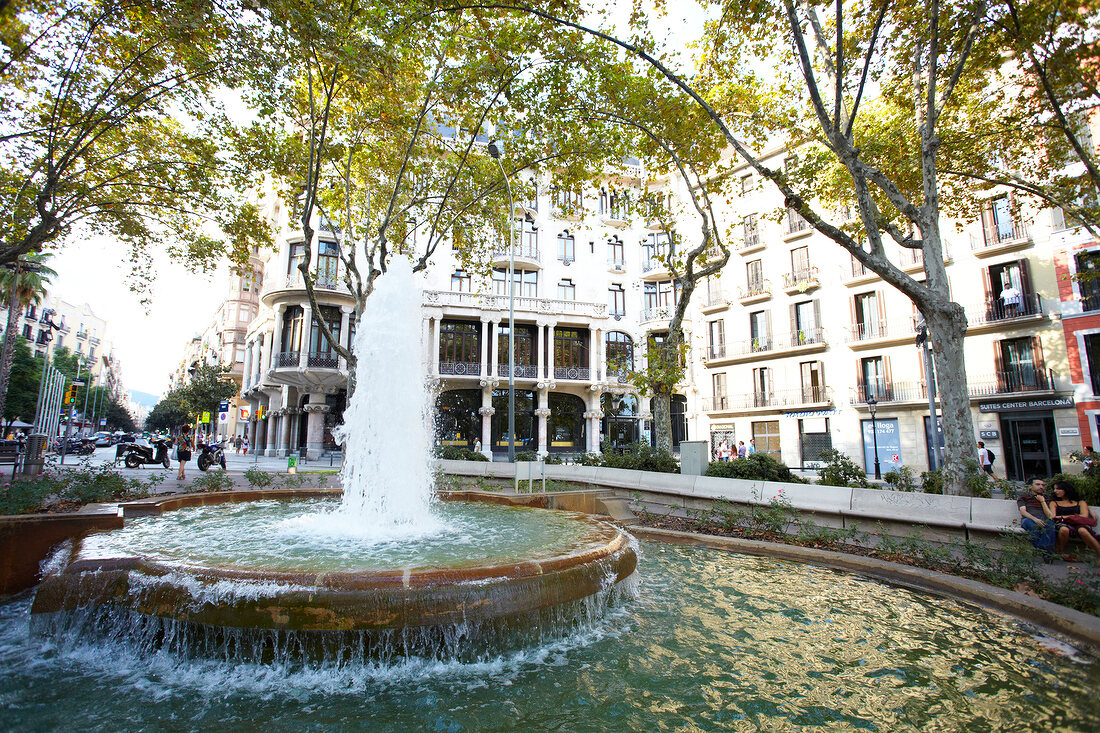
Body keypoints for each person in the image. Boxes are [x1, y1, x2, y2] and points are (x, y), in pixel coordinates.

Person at [1043, 480, 1100, 562]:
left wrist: (1064, 516)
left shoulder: (1080, 502)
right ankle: (1060, 552)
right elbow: (1053, 516)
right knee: (1064, 529)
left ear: (1066, 489)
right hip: (1062, 523)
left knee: (1083, 530)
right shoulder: (1054, 503)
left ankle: (1098, 554)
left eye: (1058, 489)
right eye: (1054, 489)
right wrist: (1070, 517)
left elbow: (1084, 515)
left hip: (1077, 523)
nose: (1055, 491)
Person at [1017, 477, 1055, 554]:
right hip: (1029, 519)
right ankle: (1046, 551)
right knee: (1031, 524)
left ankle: (1042, 549)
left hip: (1044, 519)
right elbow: (1023, 511)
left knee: (1051, 525)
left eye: (1043, 485)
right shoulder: (1024, 497)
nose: (1041, 487)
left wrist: (1042, 501)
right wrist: (1035, 519)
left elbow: (1050, 516)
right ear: (1030, 486)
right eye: (1038, 484)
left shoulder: (1047, 498)